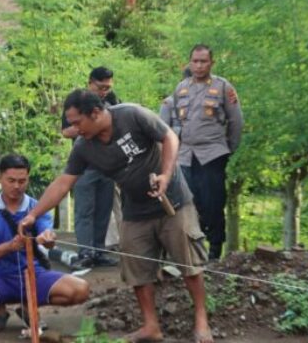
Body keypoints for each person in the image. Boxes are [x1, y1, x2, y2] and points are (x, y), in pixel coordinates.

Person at [21, 90, 213, 343]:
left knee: (189, 262)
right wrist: (33, 214)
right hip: (135, 210)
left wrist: (166, 176)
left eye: (78, 122)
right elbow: (63, 183)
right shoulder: (84, 147)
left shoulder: (132, 115)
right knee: (137, 269)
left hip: (173, 202)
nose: (75, 129)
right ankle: (151, 326)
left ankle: (201, 320)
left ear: (96, 113)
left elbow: (170, 138)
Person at [0, 154, 90, 332]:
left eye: (22, 181)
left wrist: (48, 239)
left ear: (28, 179)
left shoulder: (38, 208)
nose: (16, 186)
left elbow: (46, 233)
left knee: (80, 290)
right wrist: (9, 247)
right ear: (0, 178)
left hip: (34, 274)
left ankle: (28, 308)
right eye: (11, 180)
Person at [171, 44, 244, 260]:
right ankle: (195, 248)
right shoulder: (181, 88)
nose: (199, 65)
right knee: (190, 203)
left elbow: (236, 121)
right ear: (189, 62)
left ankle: (214, 249)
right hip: (186, 155)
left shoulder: (223, 87)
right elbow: (175, 121)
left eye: (203, 61)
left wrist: (228, 148)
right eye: (195, 61)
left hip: (212, 154)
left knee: (213, 202)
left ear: (211, 63)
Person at [61, 67, 120, 268]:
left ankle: (99, 251)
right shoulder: (77, 102)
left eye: (107, 87)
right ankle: (86, 252)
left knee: (104, 210)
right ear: (90, 83)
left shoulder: (112, 99)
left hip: (108, 165)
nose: (104, 91)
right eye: (100, 87)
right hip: (85, 165)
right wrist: (87, 128)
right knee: (84, 211)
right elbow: (66, 131)